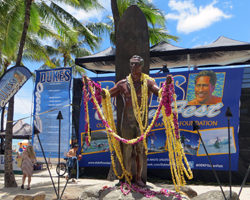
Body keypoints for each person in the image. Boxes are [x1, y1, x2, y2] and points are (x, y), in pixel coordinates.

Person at [100, 55, 171, 187]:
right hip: (127, 119)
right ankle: (126, 178)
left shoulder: (148, 82)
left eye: (137, 64)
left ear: (141, 66)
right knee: (126, 149)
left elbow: (159, 92)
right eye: (132, 64)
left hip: (141, 119)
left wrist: (166, 86)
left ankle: (138, 178)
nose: (134, 67)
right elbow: (108, 94)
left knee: (140, 149)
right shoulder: (123, 83)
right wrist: (98, 90)